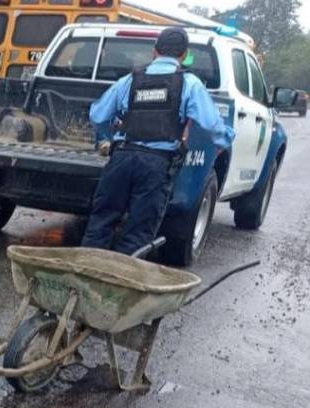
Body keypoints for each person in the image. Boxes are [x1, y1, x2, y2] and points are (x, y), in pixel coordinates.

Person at [82, 27, 234, 256]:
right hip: (156, 166)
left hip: (121, 159)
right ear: (183, 55)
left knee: (99, 225)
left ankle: (84, 279)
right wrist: (226, 139)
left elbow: (98, 115)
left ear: (154, 51)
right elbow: (211, 125)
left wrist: (105, 138)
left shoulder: (129, 80)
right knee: (137, 236)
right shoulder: (190, 84)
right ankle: (120, 286)